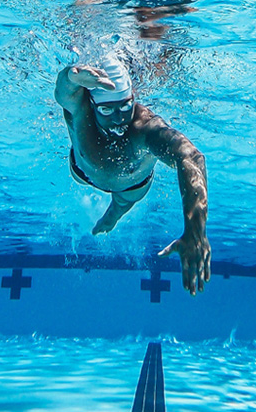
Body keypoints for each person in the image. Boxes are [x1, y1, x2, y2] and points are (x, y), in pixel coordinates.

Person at [54, 54, 211, 294]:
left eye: (126, 106)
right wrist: (70, 76)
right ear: (93, 104)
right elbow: (64, 91)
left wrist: (195, 231)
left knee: (120, 205)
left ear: (134, 98)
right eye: (106, 109)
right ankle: (111, 216)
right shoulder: (80, 107)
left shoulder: (145, 128)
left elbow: (191, 158)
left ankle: (113, 216)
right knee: (106, 199)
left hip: (130, 188)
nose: (118, 118)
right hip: (82, 171)